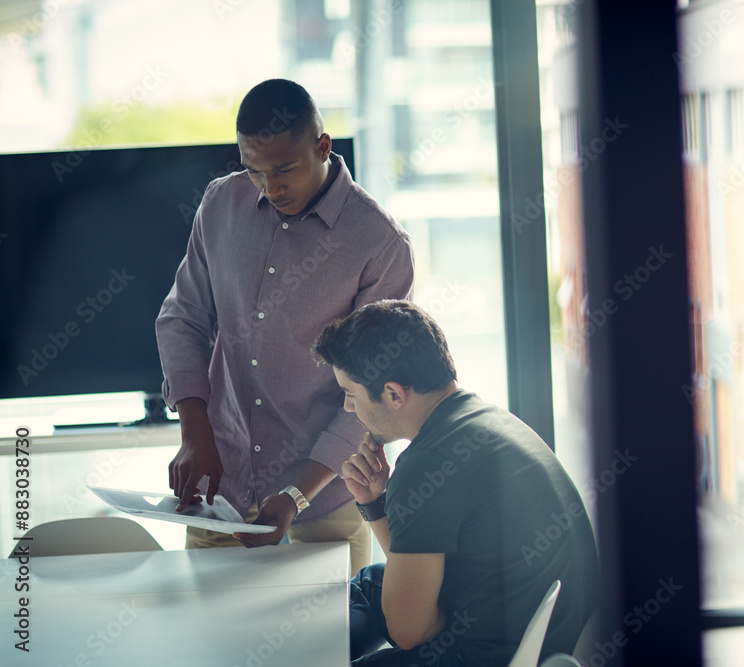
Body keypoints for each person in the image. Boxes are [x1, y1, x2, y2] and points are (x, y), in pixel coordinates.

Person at [155, 79, 414, 574]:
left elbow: (373, 395)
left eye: (284, 170)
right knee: (214, 645)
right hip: (221, 496)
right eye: (253, 170)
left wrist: (296, 493)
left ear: (322, 146)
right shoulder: (220, 206)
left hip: (325, 504)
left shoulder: (379, 245)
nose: (270, 188)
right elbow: (181, 317)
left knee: (327, 651)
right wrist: (195, 434)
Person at [312, 299, 600, 666]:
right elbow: (416, 560)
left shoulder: (426, 464)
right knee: (372, 584)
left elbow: (408, 633)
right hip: (549, 637)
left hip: (488, 656)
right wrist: (375, 502)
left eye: (351, 394)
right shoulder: (485, 418)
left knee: (370, 604)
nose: (349, 408)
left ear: (394, 394)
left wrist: (434, 619)